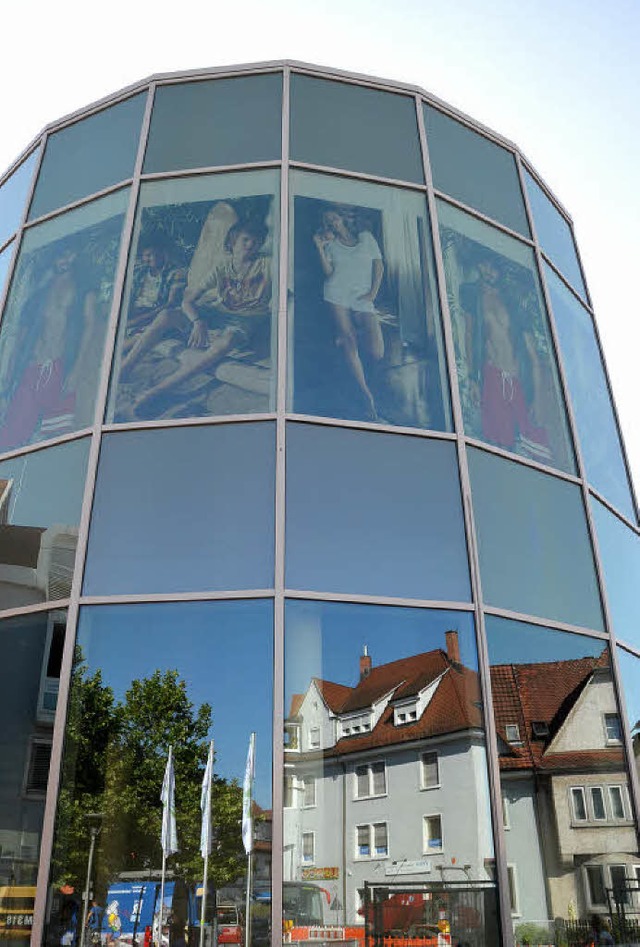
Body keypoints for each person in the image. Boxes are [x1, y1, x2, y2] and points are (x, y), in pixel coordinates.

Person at [127, 201, 272, 415]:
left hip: (245, 319)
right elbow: (188, 299)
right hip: (218, 312)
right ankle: (126, 367)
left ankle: (157, 391)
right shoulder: (222, 266)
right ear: (233, 241)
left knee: (226, 342)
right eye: (245, 240)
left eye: (256, 241)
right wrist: (198, 321)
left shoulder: (267, 264)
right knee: (167, 315)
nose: (250, 245)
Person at [0, 244, 99, 450]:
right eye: (60, 255)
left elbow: (90, 327)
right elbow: (21, 335)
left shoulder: (84, 289)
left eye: (69, 253)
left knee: (56, 439)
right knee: (12, 437)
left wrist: (77, 369)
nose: (65, 260)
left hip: (61, 367)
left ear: (76, 255)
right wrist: (10, 373)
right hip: (32, 368)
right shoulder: (39, 293)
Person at [459, 252, 550, 463]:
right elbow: (469, 336)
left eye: (493, 267)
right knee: (498, 447)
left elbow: (533, 356)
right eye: (485, 265)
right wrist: (473, 378)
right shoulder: (472, 295)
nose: (489, 271)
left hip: (517, 381)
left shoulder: (511, 303)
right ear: (479, 265)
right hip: (493, 375)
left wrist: (537, 398)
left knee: (532, 449)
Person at [313, 204, 384, 421]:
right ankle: (366, 395)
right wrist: (319, 247)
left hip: (362, 297)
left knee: (377, 351)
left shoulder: (366, 237)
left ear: (344, 218)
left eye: (334, 218)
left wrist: (373, 292)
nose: (332, 223)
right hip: (337, 293)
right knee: (349, 338)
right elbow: (328, 272)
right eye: (327, 221)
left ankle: (345, 341)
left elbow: (379, 266)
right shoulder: (330, 243)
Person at [120, 239, 186, 360]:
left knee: (141, 335)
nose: (148, 259)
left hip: (156, 315)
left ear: (162, 254)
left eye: (151, 255)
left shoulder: (175, 273)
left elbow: (171, 304)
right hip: (137, 313)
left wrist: (137, 321)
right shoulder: (140, 272)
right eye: (145, 256)